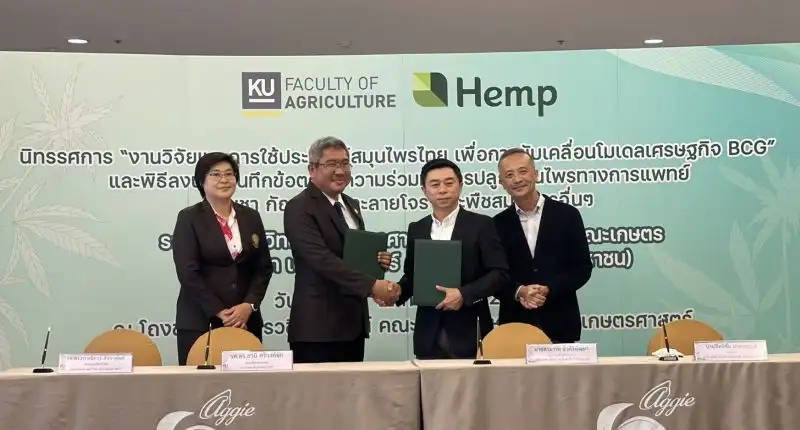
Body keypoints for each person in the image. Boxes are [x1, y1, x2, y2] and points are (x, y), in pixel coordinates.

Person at [283, 136, 398, 363]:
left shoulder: (351, 204)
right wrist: (372, 285)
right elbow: (321, 259)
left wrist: (376, 263)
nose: (340, 171)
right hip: (318, 329)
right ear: (312, 169)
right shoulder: (299, 207)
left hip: (352, 325)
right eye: (332, 164)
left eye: (345, 163)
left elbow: (351, 255)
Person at [394, 158, 509, 359]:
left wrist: (464, 294)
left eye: (449, 183)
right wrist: (394, 292)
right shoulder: (417, 228)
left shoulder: (482, 225)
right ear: (424, 190)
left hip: (470, 331)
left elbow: (500, 274)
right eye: (435, 184)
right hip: (428, 334)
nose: (442, 190)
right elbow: (412, 276)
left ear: (460, 185)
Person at [171, 152, 273, 365]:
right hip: (201, 321)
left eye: (229, 174)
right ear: (201, 181)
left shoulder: (251, 216)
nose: (224, 179)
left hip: (246, 321)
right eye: (215, 174)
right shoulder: (189, 218)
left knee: (247, 383)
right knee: (200, 384)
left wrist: (249, 305)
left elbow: (263, 267)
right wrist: (220, 311)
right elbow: (188, 272)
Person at [493, 148, 593, 343]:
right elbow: (494, 275)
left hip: (561, 322)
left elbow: (582, 268)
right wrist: (519, 291)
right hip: (515, 325)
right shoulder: (496, 224)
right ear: (502, 183)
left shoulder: (567, 215)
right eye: (509, 175)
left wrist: (549, 289)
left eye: (523, 171)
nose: (517, 179)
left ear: (536, 174)